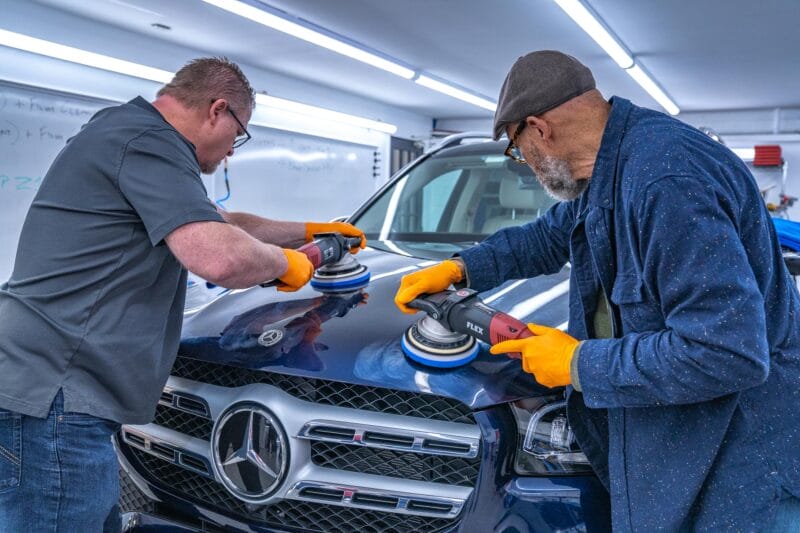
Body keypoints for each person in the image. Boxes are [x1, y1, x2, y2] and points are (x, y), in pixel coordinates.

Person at [395, 50, 800, 531]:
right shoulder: (614, 166)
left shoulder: (665, 181)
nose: (524, 163)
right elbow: (549, 236)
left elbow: (728, 350)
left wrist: (577, 363)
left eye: (516, 148)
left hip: (739, 461)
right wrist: (463, 268)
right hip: (690, 447)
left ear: (539, 129)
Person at [0, 57, 365, 531]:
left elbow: (224, 224)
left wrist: (308, 231)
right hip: (58, 400)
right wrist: (289, 264)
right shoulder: (148, 141)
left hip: (54, 395)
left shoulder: (128, 134)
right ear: (218, 110)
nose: (232, 152)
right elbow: (220, 256)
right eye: (239, 134)